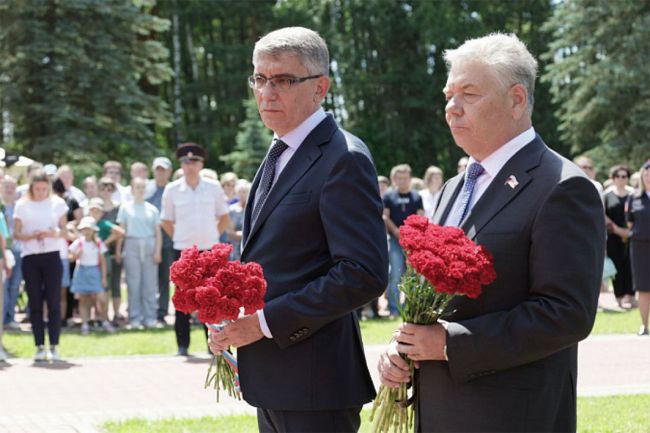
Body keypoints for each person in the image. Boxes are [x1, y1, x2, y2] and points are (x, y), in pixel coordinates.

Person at [377, 33, 604, 432]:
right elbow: (438, 300)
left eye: (469, 94)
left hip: (511, 415)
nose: (451, 108)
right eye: (449, 95)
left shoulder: (562, 186)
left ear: (517, 99)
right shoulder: (453, 187)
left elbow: (567, 314)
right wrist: (405, 351)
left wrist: (450, 343)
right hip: (441, 411)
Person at [208, 27, 388, 433]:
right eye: (259, 78)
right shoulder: (281, 150)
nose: (267, 92)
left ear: (320, 87)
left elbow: (363, 274)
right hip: (275, 378)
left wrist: (264, 323)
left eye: (284, 80)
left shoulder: (344, 157)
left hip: (315, 383)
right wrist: (227, 309)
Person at [161, 142, 230, 356]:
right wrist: (182, 239)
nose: (190, 165)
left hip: (209, 250)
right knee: (183, 298)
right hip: (183, 251)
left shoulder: (213, 187)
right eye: (185, 162)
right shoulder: (172, 190)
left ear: (201, 164)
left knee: (210, 298)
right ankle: (183, 345)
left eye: (194, 161)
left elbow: (224, 216)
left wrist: (211, 236)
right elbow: (166, 221)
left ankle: (214, 346)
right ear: (181, 165)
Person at [13, 171, 68, 362]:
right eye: (37, 189)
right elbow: (17, 234)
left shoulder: (58, 203)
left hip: (52, 255)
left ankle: (54, 345)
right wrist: (31, 236)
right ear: (31, 187)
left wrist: (52, 233)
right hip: (30, 256)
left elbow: (65, 231)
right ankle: (38, 345)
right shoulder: (22, 205)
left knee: (53, 301)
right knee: (35, 301)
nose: (41, 192)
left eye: (44, 189)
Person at [116, 177, 162, 329]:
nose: (140, 190)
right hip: (131, 244)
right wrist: (118, 250)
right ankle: (134, 318)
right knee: (133, 283)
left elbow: (158, 233)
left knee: (150, 284)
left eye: (142, 187)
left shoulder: (152, 209)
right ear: (132, 189)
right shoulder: (125, 208)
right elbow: (121, 231)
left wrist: (158, 251)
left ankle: (150, 318)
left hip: (149, 243)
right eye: (137, 187)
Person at [383, 164, 424, 317]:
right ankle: (394, 309)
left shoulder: (416, 196)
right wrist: (395, 230)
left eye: (405, 178)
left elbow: (420, 216)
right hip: (395, 240)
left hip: (413, 242)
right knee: (395, 274)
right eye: (399, 178)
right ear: (394, 179)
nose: (403, 181)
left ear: (410, 178)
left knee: (412, 275)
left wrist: (409, 232)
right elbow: (385, 216)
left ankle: (410, 308)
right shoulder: (389, 196)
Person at [87, 197, 124, 329]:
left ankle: (105, 316)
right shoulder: (87, 224)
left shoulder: (103, 224)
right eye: (92, 210)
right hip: (89, 260)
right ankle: (96, 316)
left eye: (97, 211)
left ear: (101, 213)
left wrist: (104, 243)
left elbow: (120, 232)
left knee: (105, 287)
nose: (95, 213)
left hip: (103, 259)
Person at [69, 216, 110, 335]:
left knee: (101, 299)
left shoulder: (98, 243)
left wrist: (103, 277)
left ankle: (104, 320)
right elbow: (71, 258)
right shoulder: (79, 243)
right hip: (81, 271)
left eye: (89, 229)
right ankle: (85, 323)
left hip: (94, 271)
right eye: (85, 229)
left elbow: (102, 262)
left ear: (93, 230)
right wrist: (77, 255)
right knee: (83, 300)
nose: (87, 231)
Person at [145, 157, 174, 324]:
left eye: (163, 170)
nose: (160, 173)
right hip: (150, 240)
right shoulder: (148, 190)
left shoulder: (172, 189)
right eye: (158, 170)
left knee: (164, 278)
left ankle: (162, 311)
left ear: (169, 172)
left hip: (169, 241)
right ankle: (149, 310)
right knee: (149, 279)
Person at [604, 165, 635, 308]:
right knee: (617, 267)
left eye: (624, 176)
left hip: (632, 236)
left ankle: (631, 296)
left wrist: (628, 231)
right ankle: (619, 297)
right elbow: (603, 215)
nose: (621, 179)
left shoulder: (633, 194)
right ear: (613, 178)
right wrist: (616, 229)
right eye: (618, 176)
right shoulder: (607, 195)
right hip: (613, 237)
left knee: (630, 266)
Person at [627, 159, 650, 335]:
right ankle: (644, 325)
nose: (649, 177)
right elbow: (630, 224)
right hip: (640, 248)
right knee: (643, 287)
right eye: (646, 173)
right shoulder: (634, 197)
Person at [96, 177, 124, 323]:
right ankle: (103, 315)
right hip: (98, 254)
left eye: (109, 188)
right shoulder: (95, 207)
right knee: (102, 284)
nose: (106, 191)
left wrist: (118, 251)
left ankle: (116, 314)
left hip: (113, 251)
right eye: (103, 188)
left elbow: (120, 232)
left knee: (116, 283)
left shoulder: (118, 208)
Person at [2, 176, 22, 331]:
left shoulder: (20, 207)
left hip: (18, 250)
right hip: (4, 251)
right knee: (4, 284)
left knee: (15, 285)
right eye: (6, 186)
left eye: (12, 187)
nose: (9, 190)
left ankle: (10, 317)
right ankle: (2, 317)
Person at [226, 180, 251, 261]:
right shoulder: (232, 209)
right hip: (235, 249)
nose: (242, 194)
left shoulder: (253, 210)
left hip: (250, 249)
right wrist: (246, 235)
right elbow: (230, 233)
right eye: (240, 192)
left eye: (245, 192)